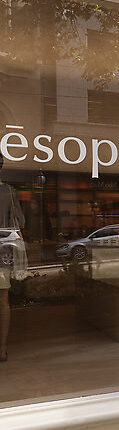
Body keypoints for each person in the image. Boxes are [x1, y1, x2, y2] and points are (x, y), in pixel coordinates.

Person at [0, 155, 26, 362]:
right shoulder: (9, 191)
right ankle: (1, 349)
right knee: (3, 300)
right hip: (3, 251)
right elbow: (21, 222)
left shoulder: (10, 191)